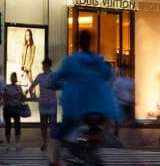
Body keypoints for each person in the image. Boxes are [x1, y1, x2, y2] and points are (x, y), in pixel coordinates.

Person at [51, 30, 119, 162]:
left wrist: (55, 83)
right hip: (98, 108)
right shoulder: (98, 60)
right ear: (91, 42)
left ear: (78, 43)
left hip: (76, 108)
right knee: (100, 130)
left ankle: (54, 161)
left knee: (58, 135)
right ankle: (94, 153)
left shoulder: (72, 60)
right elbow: (108, 74)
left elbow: (57, 78)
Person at [28, 58, 58, 151]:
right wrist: (32, 95)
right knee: (43, 125)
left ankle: (52, 143)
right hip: (43, 104)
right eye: (43, 66)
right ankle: (45, 143)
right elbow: (31, 87)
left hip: (52, 103)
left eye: (45, 66)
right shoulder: (40, 76)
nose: (43, 67)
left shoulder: (54, 76)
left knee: (53, 125)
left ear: (49, 66)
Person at [1, 71, 27, 147]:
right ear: (10, 78)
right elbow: (2, 95)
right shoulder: (6, 87)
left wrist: (24, 96)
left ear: (16, 78)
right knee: (8, 126)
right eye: (12, 77)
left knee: (17, 126)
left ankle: (17, 143)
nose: (13, 78)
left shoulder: (19, 87)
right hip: (8, 109)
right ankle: (8, 143)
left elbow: (22, 99)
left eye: (14, 77)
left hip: (16, 109)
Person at [112, 64, 134, 133]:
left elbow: (132, 91)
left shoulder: (129, 80)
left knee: (129, 119)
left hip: (126, 103)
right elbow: (115, 93)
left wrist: (131, 99)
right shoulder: (118, 81)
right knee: (120, 120)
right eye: (122, 70)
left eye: (125, 70)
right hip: (121, 103)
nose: (124, 71)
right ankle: (116, 131)